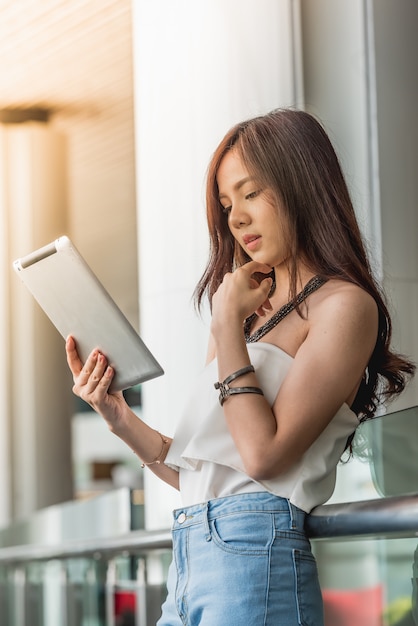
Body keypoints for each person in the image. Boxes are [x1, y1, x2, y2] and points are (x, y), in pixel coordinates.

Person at [66, 108, 415, 625]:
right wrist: (118, 417)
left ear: (302, 185)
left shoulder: (342, 306)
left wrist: (227, 324)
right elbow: (198, 470)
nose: (236, 217)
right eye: (228, 203)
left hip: (258, 554)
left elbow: (263, 456)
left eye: (251, 193)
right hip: (190, 550)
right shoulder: (246, 316)